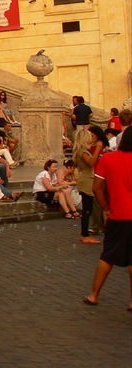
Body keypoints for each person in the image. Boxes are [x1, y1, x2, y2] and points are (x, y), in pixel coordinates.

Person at [83, 127, 132, 310]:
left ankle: (94, 295)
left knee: (108, 256)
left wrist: (105, 207)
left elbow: (97, 188)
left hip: (117, 214)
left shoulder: (109, 159)